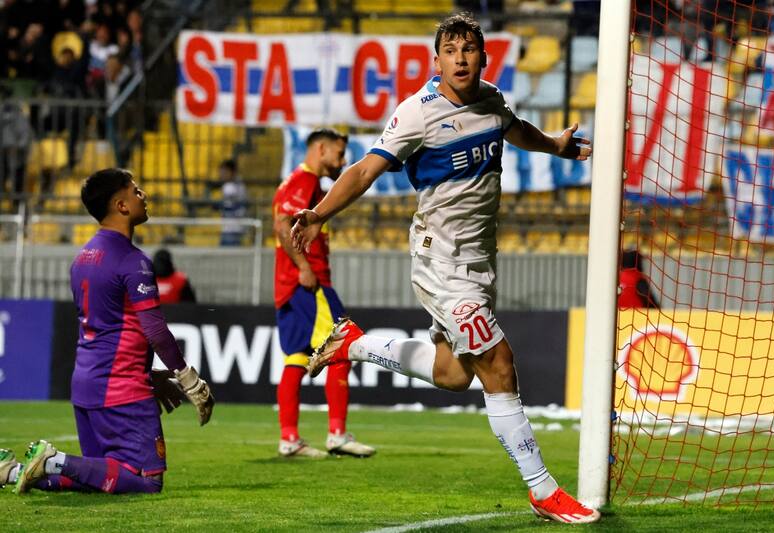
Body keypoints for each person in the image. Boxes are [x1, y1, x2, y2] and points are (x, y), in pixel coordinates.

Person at [292, 13, 599, 523]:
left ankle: (356, 343)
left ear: (483, 56)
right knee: (498, 363)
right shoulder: (418, 113)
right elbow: (366, 167)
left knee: (454, 373)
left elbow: (514, 128)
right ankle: (542, 489)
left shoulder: (491, 99)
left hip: (479, 260)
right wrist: (320, 213)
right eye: (450, 50)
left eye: (469, 49)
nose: (460, 58)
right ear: (436, 60)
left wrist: (555, 146)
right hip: (441, 259)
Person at [0, 168, 214, 495]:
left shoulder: (82, 258)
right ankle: (53, 460)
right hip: (121, 389)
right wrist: (188, 379)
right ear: (121, 205)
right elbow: (154, 329)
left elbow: (109, 327)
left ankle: (13, 472)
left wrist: (151, 375)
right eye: (136, 190)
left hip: (87, 386)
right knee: (146, 480)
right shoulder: (131, 260)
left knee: (99, 476)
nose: (144, 195)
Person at [273, 128, 375, 459]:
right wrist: (304, 266)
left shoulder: (304, 184)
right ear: (320, 149)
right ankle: (338, 433)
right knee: (345, 344)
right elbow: (281, 224)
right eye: (339, 153)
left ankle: (289, 437)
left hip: (289, 286)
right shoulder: (304, 181)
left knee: (298, 356)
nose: (342, 161)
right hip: (308, 283)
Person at [217, 159, 248, 246]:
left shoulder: (230, 186)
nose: (222, 175)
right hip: (232, 227)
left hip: (232, 228)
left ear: (232, 172)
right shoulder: (240, 184)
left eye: (224, 172)